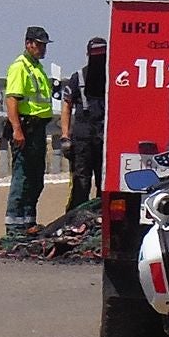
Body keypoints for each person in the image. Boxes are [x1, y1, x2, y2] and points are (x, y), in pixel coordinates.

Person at [4, 26, 55, 237]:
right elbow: (12, 99)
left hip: (38, 129)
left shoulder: (37, 68)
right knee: (22, 176)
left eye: (44, 45)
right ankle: (15, 226)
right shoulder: (20, 67)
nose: (42, 49)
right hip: (25, 127)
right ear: (28, 44)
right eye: (39, 44)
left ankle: (28, 221)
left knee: (36, 177)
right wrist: (17, 130)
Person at [59, 37, 108, 212]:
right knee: (81, 182)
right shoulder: (78, 77)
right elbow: (66, 105)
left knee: (105, 183)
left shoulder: (114, 77)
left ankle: (100, 219)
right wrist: (65, 136)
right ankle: (75, 220)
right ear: (88, 54)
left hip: (104, 137)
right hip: (83, 138)